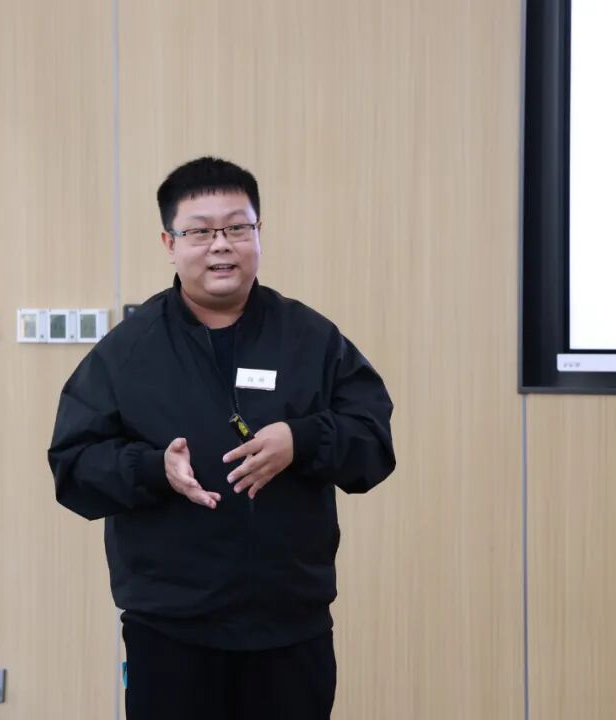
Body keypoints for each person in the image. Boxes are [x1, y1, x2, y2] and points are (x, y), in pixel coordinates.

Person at [47, 156, 395, 719]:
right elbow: (74, 466)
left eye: (237, 228)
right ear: (169, 242)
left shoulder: (310, 338)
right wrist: (153, 469)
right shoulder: (128, 351)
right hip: (171, 630)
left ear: (259, 233)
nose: (221, 246)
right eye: (200, 232)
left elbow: (373, 442)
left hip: (290, 626)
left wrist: (303, 440)